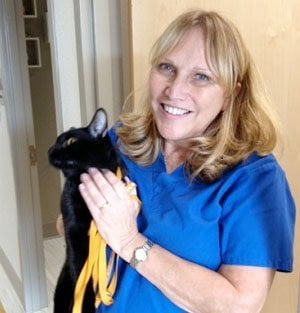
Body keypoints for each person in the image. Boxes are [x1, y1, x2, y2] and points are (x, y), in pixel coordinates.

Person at [77, 10, 295, 313]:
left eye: (201, 77)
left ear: (232, 93)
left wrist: (129, 241)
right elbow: (68, 224)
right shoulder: (120, 141)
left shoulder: (255, 180)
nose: (175, 90)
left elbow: (239, 306)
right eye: (167, 67)